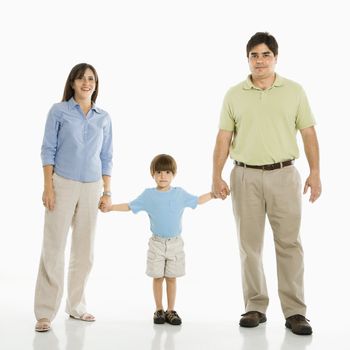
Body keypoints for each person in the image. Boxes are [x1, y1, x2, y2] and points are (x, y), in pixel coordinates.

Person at [212, 32, 321, 335]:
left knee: (289, 243)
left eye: (265, 55)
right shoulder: (234, 94)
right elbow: (224, 137)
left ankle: (296, 311)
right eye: (254, 55)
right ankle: (255, 306)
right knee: (249, 246)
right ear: (247, 59)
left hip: (284, 175)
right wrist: (216, 175)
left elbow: (308, 133)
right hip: (244, 175)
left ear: (275, 57)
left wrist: (315, 172)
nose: (260, 61)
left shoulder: (294, 91)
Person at [34, 63, 113, 332]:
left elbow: (107, 157)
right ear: (72, 83)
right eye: (81, 79)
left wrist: (107, 191)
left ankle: (76, 306)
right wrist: (48, 186)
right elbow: (48, 149)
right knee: (53, 247)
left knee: (84, 251)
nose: (86, 83)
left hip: (92, 187)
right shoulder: (59, 111)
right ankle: (45, 312)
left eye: (91, 79)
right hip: (62, 183)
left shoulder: (103, 117)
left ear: (96, 84)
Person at [100, 154, 214, 325]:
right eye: (159, 172)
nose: (163, 176)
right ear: (152, 174)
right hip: (157, 244)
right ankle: (159, 310)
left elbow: (197, 200)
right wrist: (111, 208)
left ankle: (171, 311)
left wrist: (213, 194)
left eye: (167, 172)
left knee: (172, 278)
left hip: (175, 243)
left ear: (173, 174)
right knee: (157, 277)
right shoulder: (148, 195)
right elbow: (130, 206)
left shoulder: (179, 194)